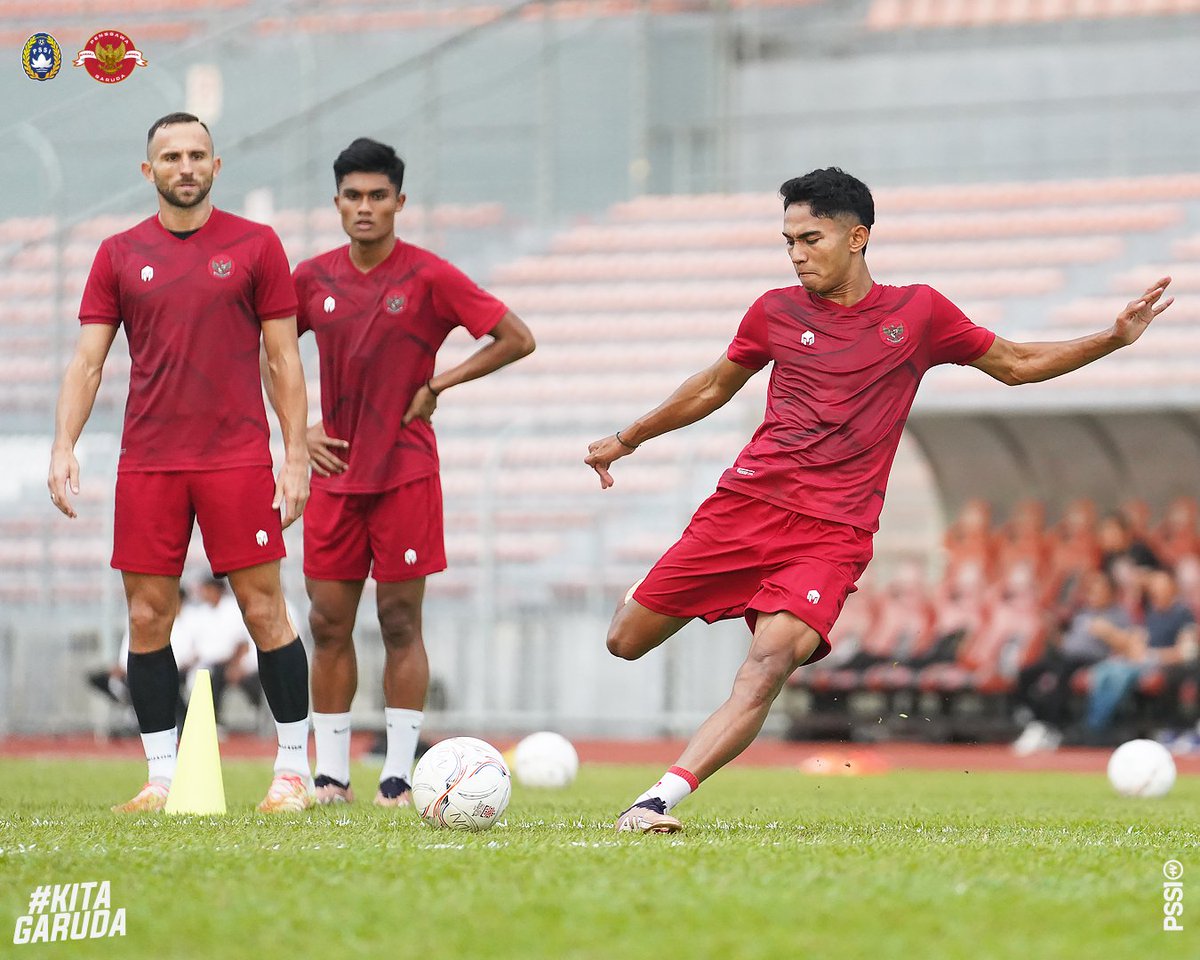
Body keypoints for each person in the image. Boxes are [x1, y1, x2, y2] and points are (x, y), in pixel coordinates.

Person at [583, 167, 1173, 832]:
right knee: (624, 642)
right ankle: (655, 597)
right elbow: (713, 386)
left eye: (811, 238)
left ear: (857, 237)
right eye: (788, 241)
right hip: (744, 509)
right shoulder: (774, 311)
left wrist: (1111, 338)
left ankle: (657, 800)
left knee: (771, 661)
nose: (797, 253)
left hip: (831, 532)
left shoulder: (918, 313)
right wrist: (626, 438)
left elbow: (1015, 364)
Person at [49, 112, 315, 814]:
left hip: (236, 460)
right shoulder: (116, 253)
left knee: (266, 609)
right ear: (150, 172)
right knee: (145, 617)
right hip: (150, 463)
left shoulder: (256, 246)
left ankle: (293, 774)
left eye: (198, 154)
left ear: (217, 166)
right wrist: (63, 445)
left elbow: (283, 358)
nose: (186, 166)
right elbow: (87, 361)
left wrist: (294, 457)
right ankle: (161, 778)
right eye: (172, 156)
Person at [291, 138, 535, 807]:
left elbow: (517, 336)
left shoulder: (429, 276)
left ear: (400, 201)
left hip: (404, 473)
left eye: (378, 196)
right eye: (353, 196)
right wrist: (298, 426)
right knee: (327, 623)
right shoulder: (310, 279)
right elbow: (267, 345)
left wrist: (442, 382)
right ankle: (331, 776)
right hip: (335, 473)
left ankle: (397, 777)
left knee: (400, 621)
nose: (365, 208)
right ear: (336, 202)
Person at [1011, 569, 1132, 754]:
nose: (1094, 594)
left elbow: (1128, 646)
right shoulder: (1083, 613)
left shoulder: (1118, 615)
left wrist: (1108, 632)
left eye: (1100, 590)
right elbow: (1068, 642)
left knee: (1061, 674)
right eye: (1092, 590)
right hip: (1066, 655)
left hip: (1091, 660)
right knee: (1028, 671)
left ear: (1111, 592)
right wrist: (1052, 630)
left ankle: (1051, 727)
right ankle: (1029, 715)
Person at [1084, 568, 1198, 741]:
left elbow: (1187, 652)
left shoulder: (1182, 614)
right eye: (1154, 588)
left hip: (1164, 663)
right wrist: (1134, 650)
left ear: (1172, 589)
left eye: (1161, 587)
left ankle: (1098, 728)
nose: (1156, 592)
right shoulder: (1151, 614)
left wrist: (1153, 655)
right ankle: (1095, 723)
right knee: (1103, 671)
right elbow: (1138, 639)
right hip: (1141, 660)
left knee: (1119, 675)